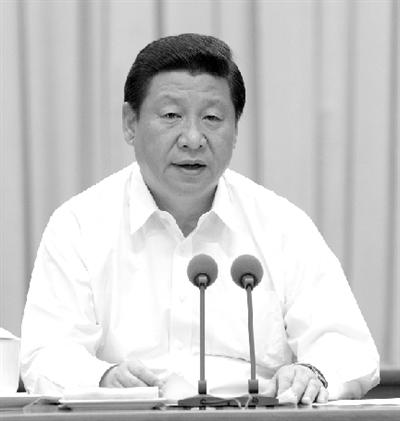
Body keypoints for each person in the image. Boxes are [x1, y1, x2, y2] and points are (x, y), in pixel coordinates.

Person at [21, 33, 379, 403]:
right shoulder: (79, 226)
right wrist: (103, 379)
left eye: (212, 118)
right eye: (171, 116)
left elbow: (348, 346)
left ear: (235, 129)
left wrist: (313, 372)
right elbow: (46, 354)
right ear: (130, 122)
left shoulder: (282, 226)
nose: (193, 138)